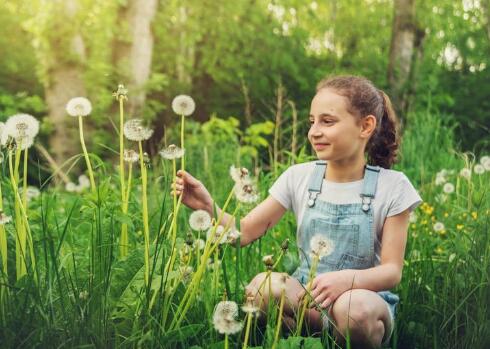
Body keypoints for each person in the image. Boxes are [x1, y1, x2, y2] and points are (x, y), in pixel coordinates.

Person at [171, 75, 422, 348]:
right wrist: (209, 207)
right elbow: (243, 233)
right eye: (312, 121)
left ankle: (337, 336)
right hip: (309, 297)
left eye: (328, 121)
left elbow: (391, 271)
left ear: (365, 126)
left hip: (364, 301)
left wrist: (346, 280)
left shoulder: (392, 186)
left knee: (355, 310)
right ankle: (310, 339)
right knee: (262, 288)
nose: (314, 131)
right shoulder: (299, 177)